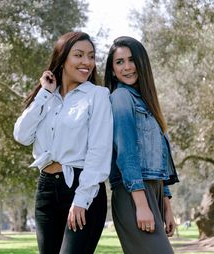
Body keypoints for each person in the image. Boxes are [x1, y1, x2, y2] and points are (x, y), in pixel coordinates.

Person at [14, 31, 113, 254]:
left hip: (81, 187)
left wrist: (82, 199)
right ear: (63, 57)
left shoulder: (98, 95)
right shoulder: (47, 97)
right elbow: (22, 135)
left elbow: (100, 150)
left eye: (90, 56)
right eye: (79, 55)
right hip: (46, 188)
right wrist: (44, 93)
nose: (86, 62)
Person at [104, 36, 179, 254]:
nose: (126, 67)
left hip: (153, 191)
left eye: (131, 60)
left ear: (141, 63)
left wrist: (167, 206)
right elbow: (126, 153)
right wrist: (142, 205)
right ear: (113, 69)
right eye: (119, 62)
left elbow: (161, 159)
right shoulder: (120, 98)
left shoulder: (148, 103)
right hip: (133, 194)